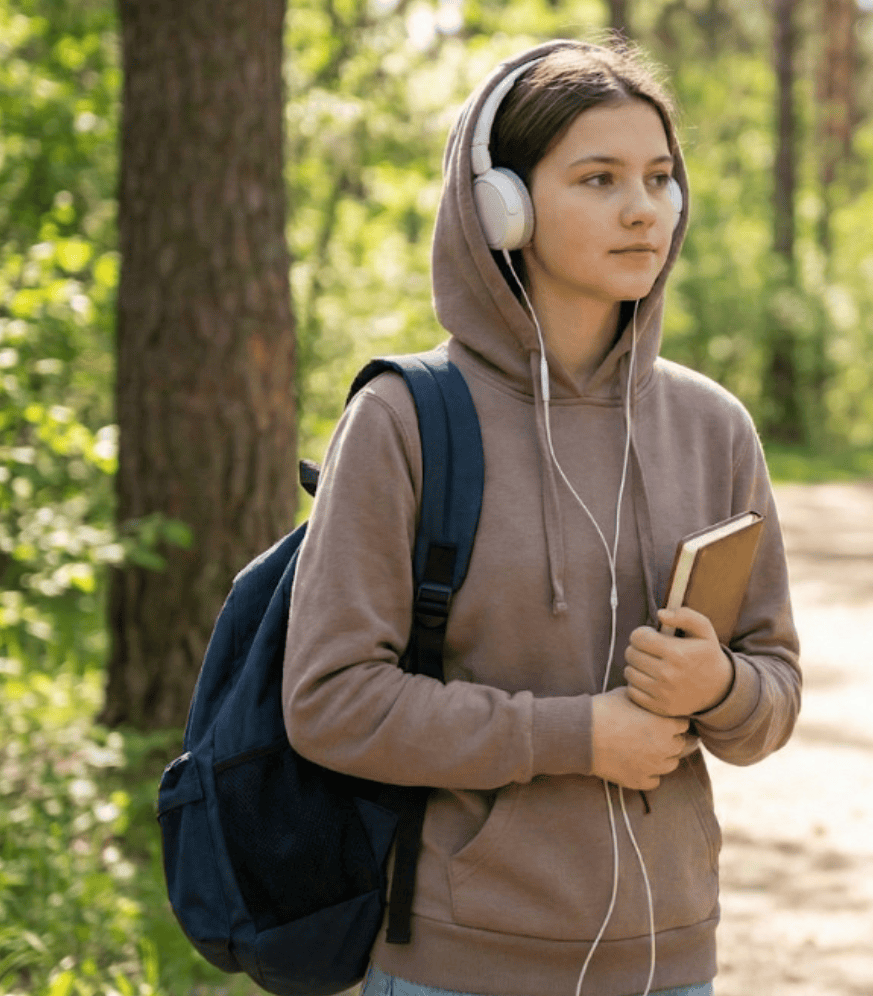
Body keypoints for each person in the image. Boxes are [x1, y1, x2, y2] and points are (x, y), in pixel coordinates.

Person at [281, 37, 801, 996]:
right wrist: (576, 736)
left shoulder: (712, 426)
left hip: (670, 958)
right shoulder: (403, 421)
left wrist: (720, 684)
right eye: (597, 178)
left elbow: (773, 697)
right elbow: (330, 701)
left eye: (658, 178)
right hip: (459, 961)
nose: (642, 207)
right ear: (501, 206)